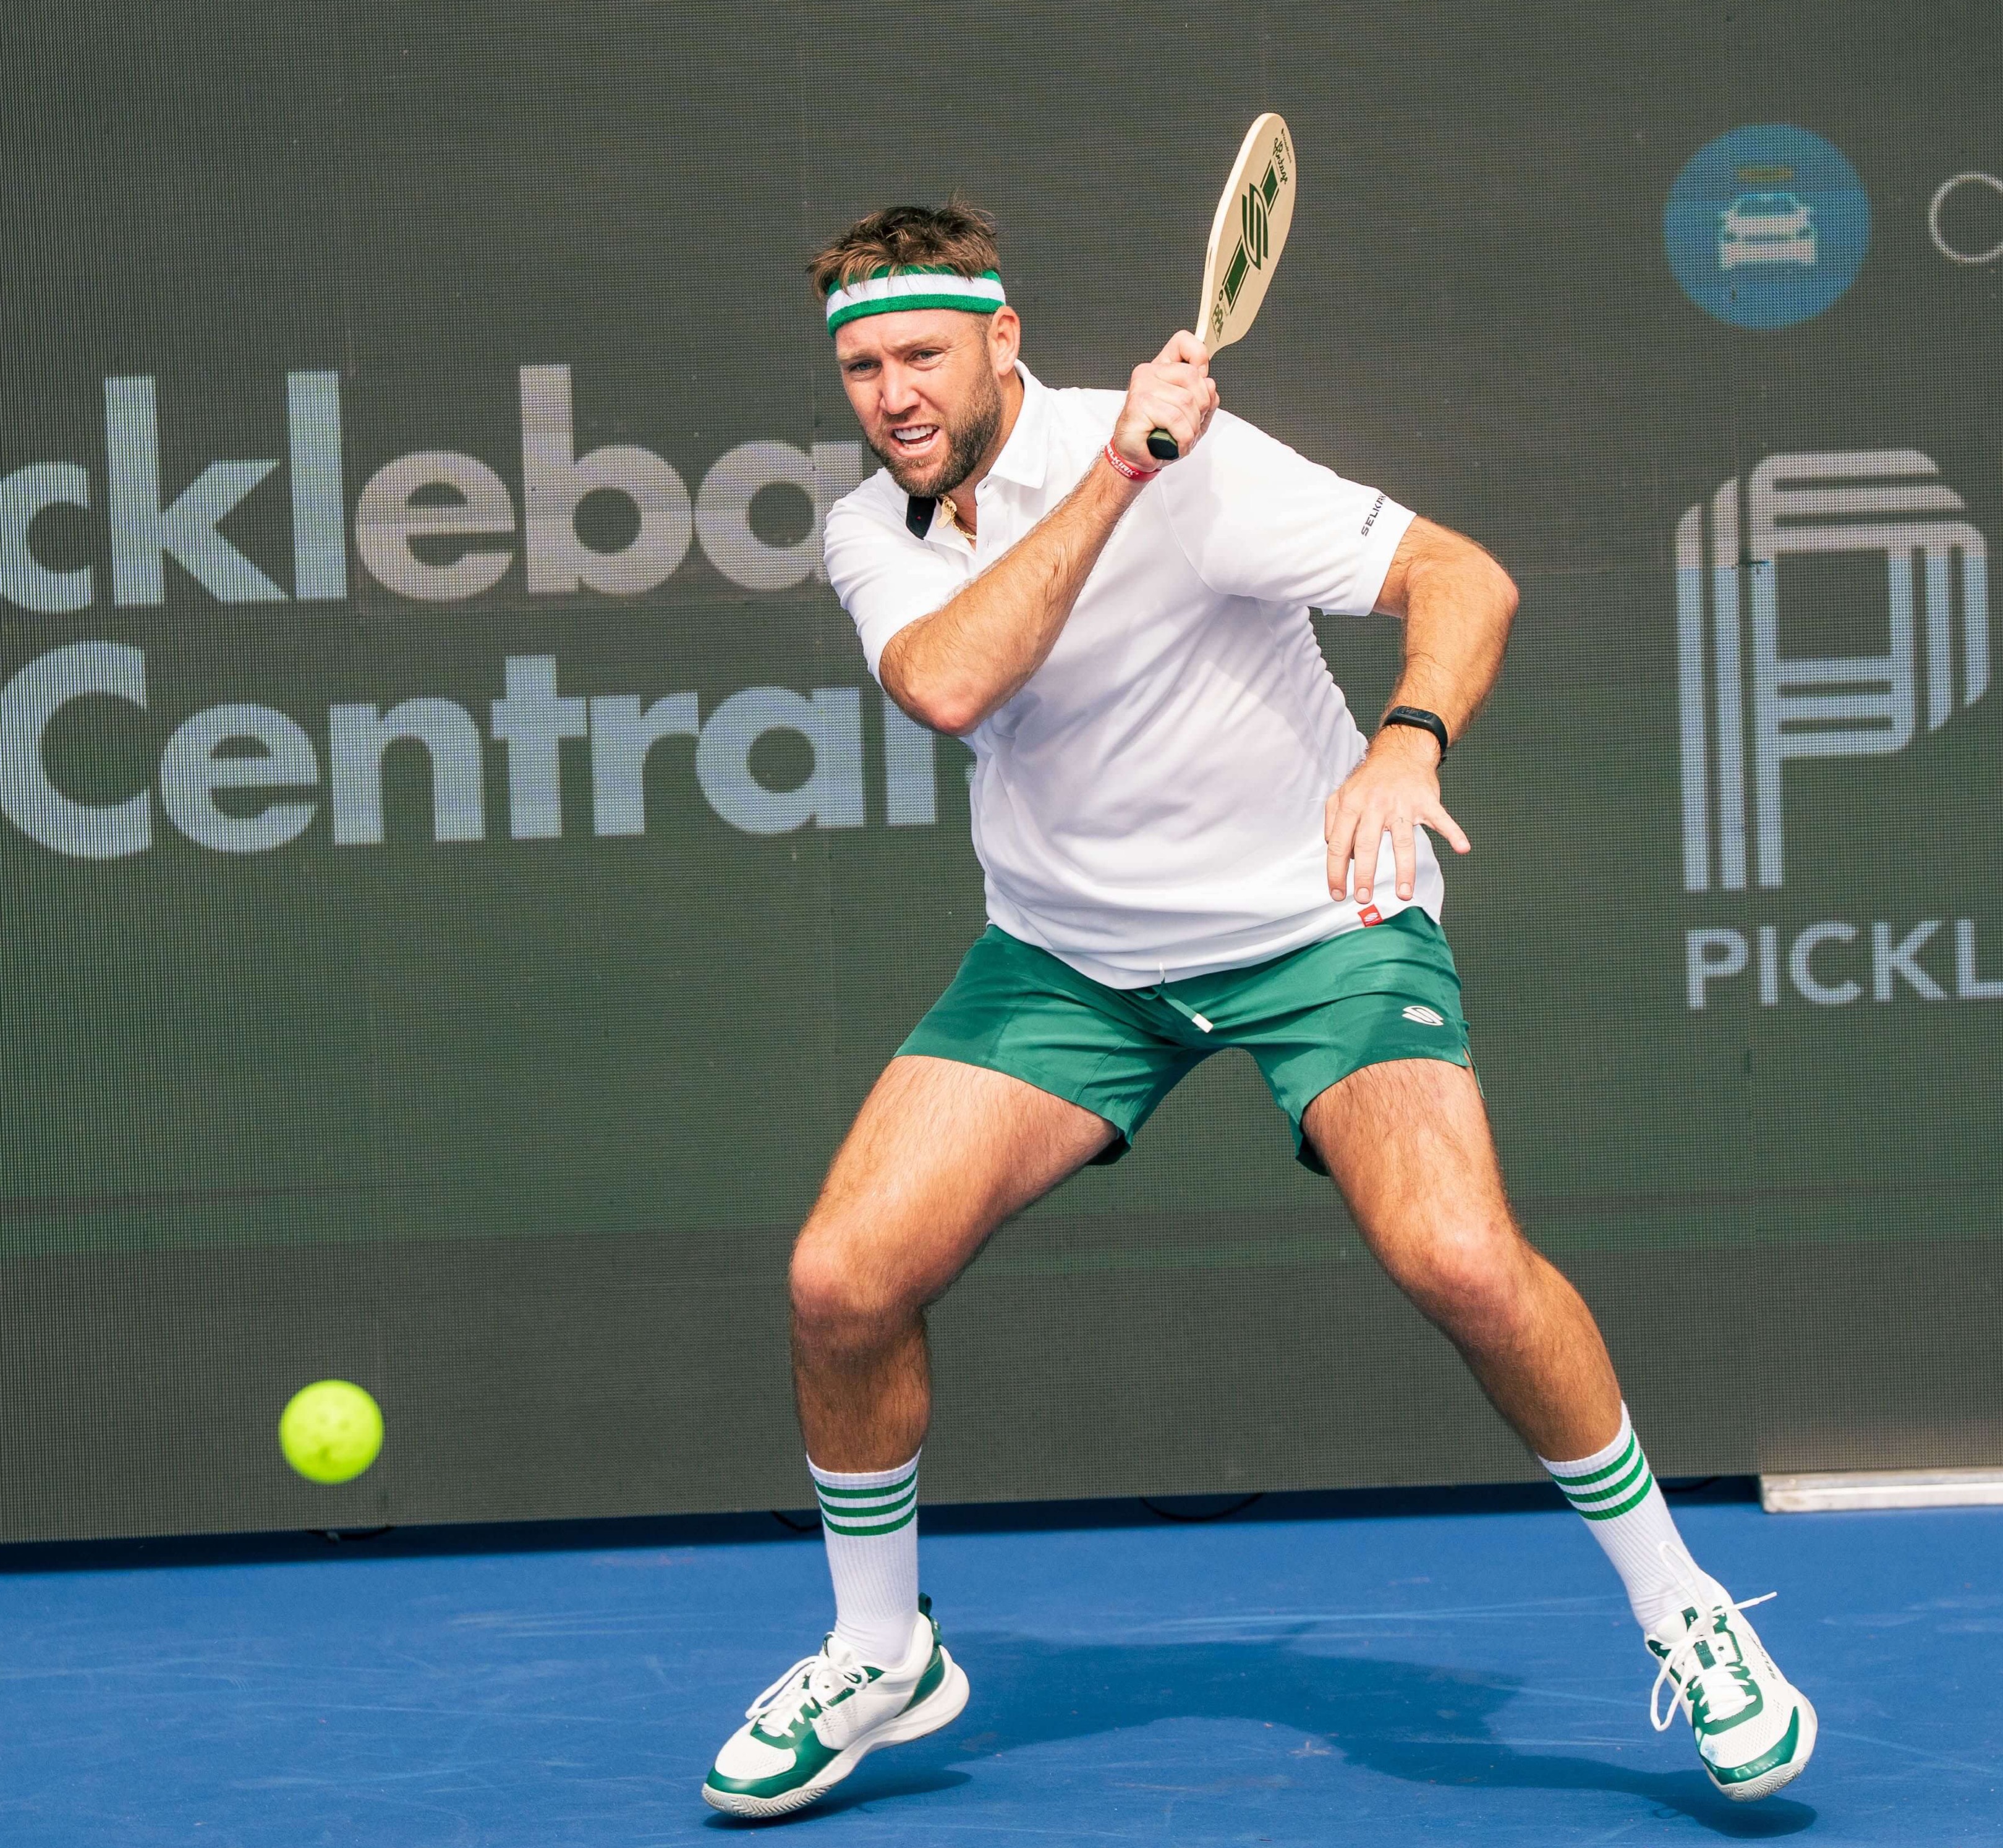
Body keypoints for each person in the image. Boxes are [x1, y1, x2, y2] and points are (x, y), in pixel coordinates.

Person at [702, 201, 1815, 1821]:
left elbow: (1465, 576)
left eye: (920, 353)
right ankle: (884, 1654)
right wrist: (1122, 473)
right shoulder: (880, 527)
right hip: (1069, 956)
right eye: (861, 366)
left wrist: (1409, 738)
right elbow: (952, 683)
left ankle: (1684, 1609)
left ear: (1003, 339)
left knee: (1458, 1258)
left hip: (1318, 922)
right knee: (841, 1278)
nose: (891, 394)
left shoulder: (1207, 468)